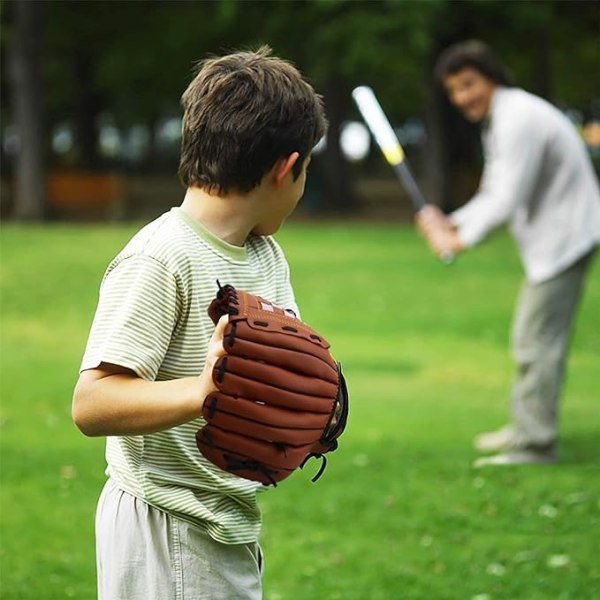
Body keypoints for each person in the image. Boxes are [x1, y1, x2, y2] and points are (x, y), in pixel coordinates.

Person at [72, 46, 328, 599]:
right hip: (162, 521)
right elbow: (91, 405)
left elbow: (278, 373)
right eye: (305, 170)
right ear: (286, 168)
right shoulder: (162, 258)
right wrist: (203, 391)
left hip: (221, 517)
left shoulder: (264, 255)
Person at [416, 40, 600, 467]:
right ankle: (525, 429)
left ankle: (535, 443)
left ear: (491, 76)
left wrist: (458, 241)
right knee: (530, 338)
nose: (463, 97)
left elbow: (507, 200)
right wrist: (451, 221)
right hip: (558, 239)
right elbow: (494, 191)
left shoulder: (517, 118)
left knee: (537, 342)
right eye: (455, 90)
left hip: (566, 239)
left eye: (469, 84)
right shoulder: (506, 116)